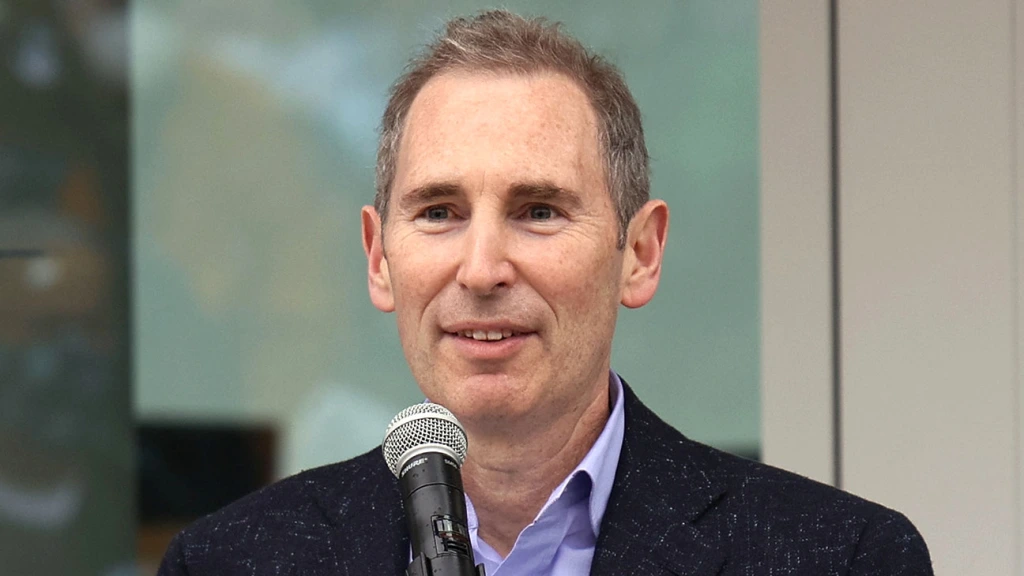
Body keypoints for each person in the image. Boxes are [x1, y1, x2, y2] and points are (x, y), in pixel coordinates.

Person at [158, 10, 933, 575]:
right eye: (439, 212)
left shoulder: (840, 557)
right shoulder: (232, 562)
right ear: (378, 258)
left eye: (538, 211)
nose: (482, 269)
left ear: (639, 254)